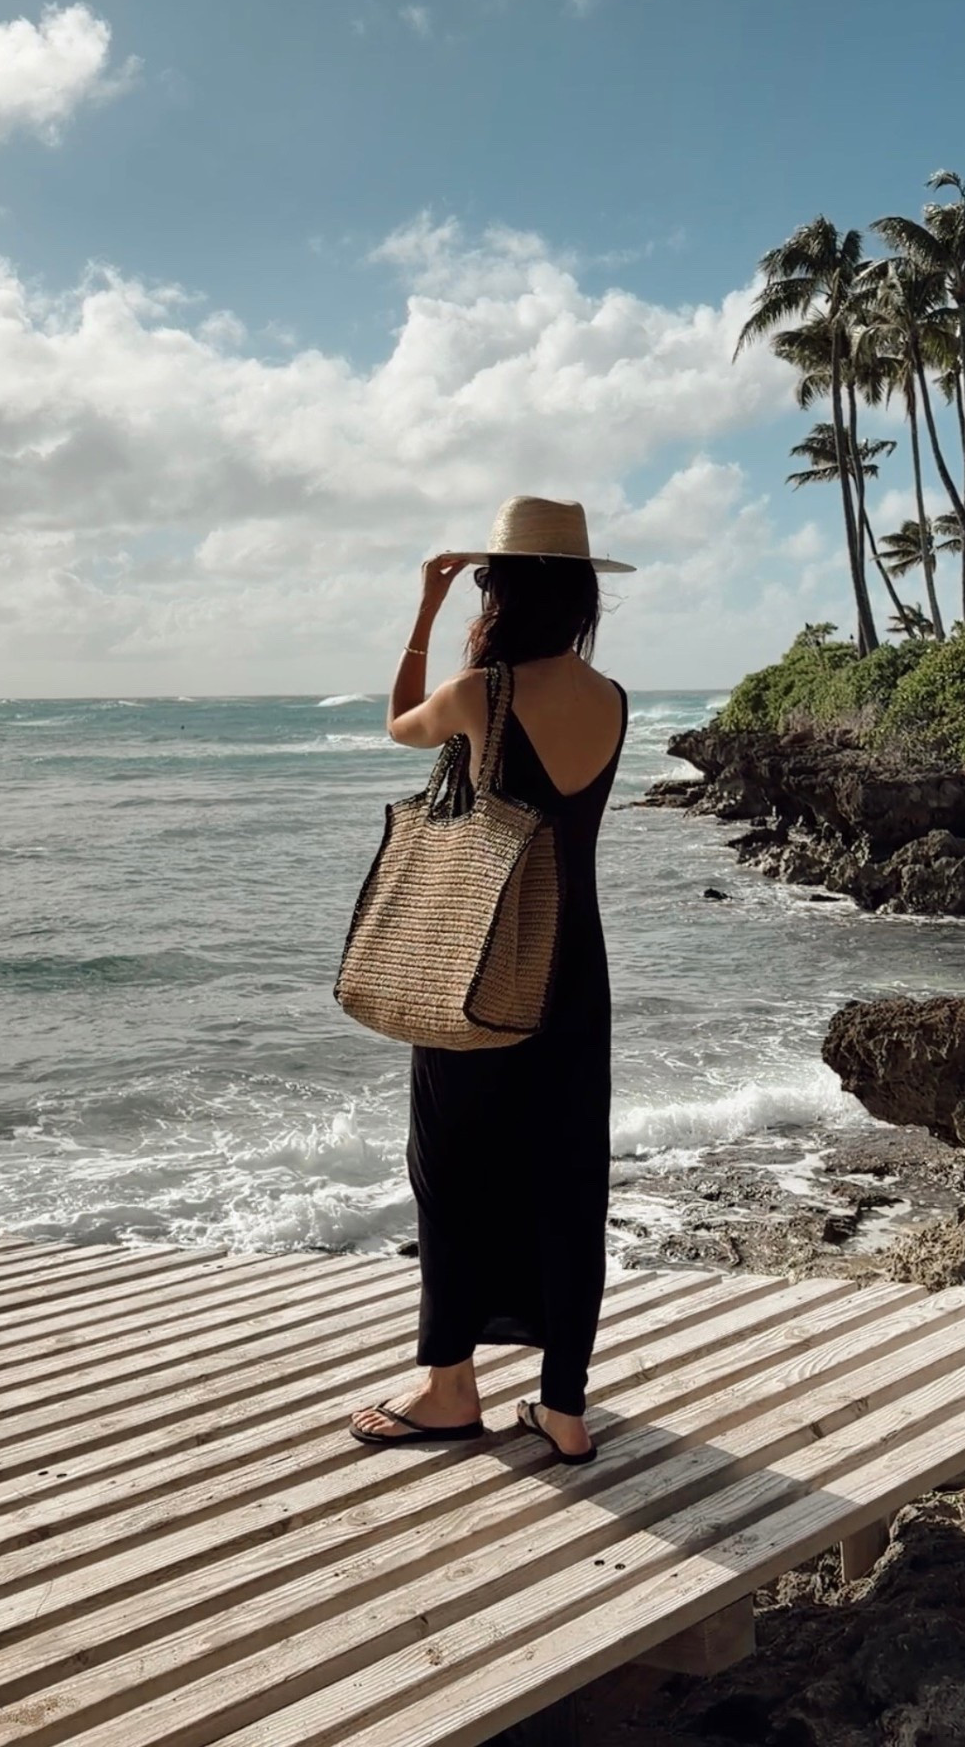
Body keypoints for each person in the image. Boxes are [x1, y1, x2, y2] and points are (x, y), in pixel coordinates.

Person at [348, 496, 633, 1464]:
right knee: (566, 1174)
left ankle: (448, 1386)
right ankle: (563, 1404)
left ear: (499, 589)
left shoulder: (483, 690)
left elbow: (399, 728)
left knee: (453, 1167)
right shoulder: (612, 697)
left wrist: (423, 614)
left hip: (483, 960)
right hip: (574, 964)